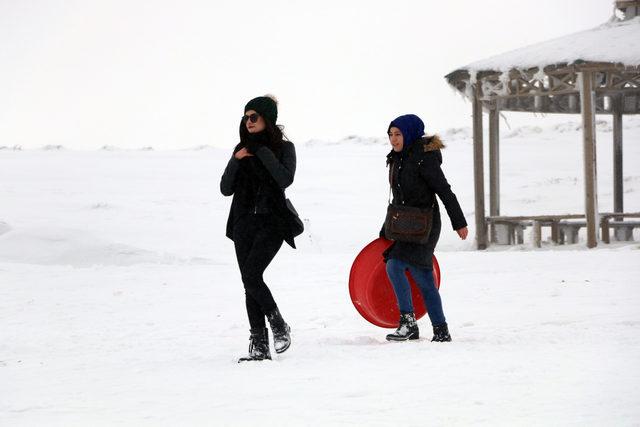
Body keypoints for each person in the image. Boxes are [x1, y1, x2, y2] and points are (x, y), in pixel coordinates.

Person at [220, 95, 297, 362]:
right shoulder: (240, 149)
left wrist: (262, 152)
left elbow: (284, 179)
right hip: (242, 225)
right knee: (249, 284)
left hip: (272, 223)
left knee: (252, 275)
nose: (248, 122)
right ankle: (260, 346)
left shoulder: (284, 149)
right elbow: (225, 189)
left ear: (267, 119)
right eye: (246, 117)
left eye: (254, 117)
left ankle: (278, 324)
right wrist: (236, 160)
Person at [381, 114, 468, 343]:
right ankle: (440, 330)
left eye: (397, 134)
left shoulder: (424, 158)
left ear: (409, 133)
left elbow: (444, 191)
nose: (393, 139)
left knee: (395, 265)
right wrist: (386, 228)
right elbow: (397, 199)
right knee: (423, 276)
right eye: (390, 135)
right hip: (404, 225)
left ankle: (408, 323)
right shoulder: (397, 158)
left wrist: (459, 222)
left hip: (425, 226)